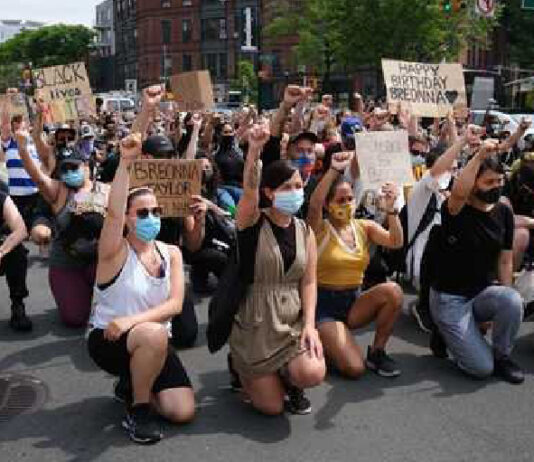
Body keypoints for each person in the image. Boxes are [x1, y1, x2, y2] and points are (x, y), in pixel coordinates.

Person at [87, 133, 194, 444]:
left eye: (156, 212)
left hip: (149, 339)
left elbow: (175, 305)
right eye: (143, 213)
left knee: (182, 412)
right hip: (110, 339)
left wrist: (131, 322)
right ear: (129, 219)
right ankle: (139, 410)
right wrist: (125, 163)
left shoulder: (171, 252)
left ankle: (133, 384)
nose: (152, 218)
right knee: (154, 333)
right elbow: (113, 213)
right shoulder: (114, 252)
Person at [228, 122, 325, 416]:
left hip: (291, 320)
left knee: (313, 372)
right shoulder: (252, 222)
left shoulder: (304, 230)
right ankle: (240, 368)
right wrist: (255, 150)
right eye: (287, 187)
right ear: (269, 193)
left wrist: (309, 325)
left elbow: (308, 282)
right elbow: (248, 190)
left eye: (298, 186)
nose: (295, 192)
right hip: (256, 322)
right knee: (270, 408)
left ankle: (290, 379)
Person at [429, 140, 525, 384]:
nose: (496, 186)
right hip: (450, 299)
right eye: (489, 182)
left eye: (499, 181)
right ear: (473, 185)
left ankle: (502, 356)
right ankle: (447, 331)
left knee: (512, 300)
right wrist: (479, 156)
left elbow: (504, 261)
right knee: (481, 368)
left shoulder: (503, 212)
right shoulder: (456, 209)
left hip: (481, 293)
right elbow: (459, 191)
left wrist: (504, 302)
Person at [307, 151, 404, 378]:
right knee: (354, 369)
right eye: (340, 200)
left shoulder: (364, 227)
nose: (348, 204)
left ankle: (377, 352)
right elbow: (313, 205)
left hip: (353, 302)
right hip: (324, 307)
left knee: (394, 291)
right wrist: (334, 171)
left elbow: (396, 241)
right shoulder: (319, 228)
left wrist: (391, 211)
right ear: (328, 205)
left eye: (350, 198)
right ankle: (323, 337)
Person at [16, 131, 106, 328]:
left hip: (101, 261)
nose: (69, 173)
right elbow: (38, 178)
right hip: (67, 261)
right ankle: (78, 295)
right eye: (64, 170)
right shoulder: (58, 190)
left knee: (113, 309)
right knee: (74, 319)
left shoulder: (105, 190)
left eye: (74, 167)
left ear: (87, 166)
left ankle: (97, 294)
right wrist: (22, 148)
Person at [0, 188, 30, 331]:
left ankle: (17, 303)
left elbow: (21, 230)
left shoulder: (2, 197)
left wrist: (1, 253)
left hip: (1, 247)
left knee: (17, 252)